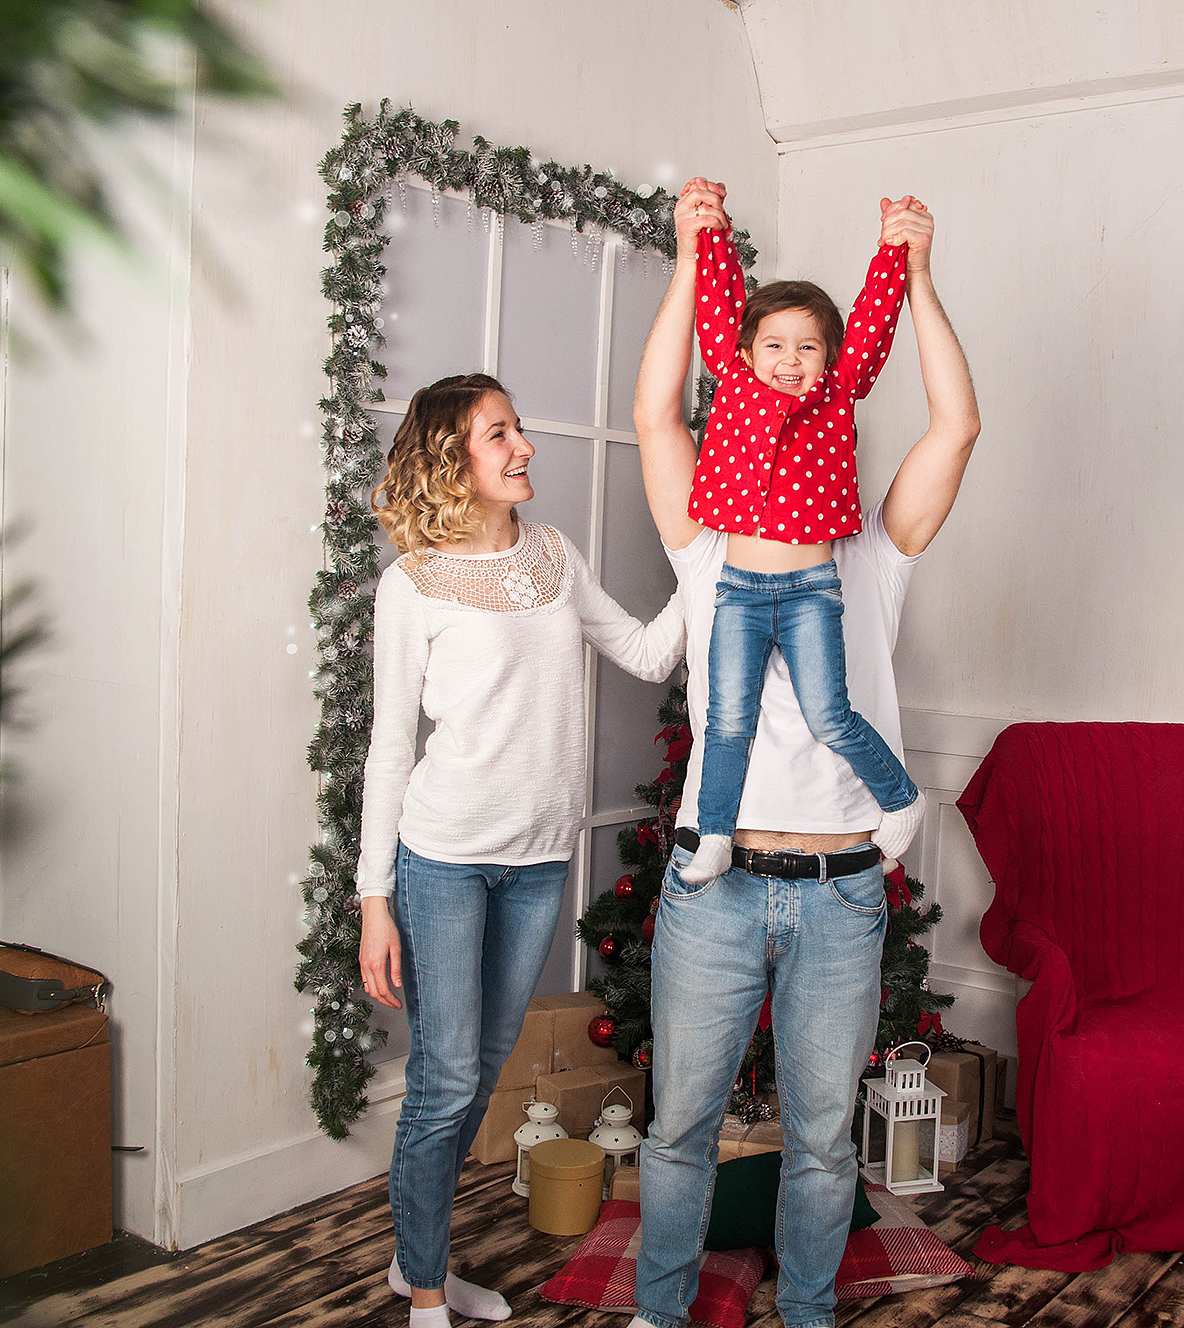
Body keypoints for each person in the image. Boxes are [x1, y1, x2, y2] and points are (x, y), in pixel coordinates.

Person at [629, 181, 980, 1328]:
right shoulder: (707, 543)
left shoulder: (869, 554)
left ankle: (809, 1313)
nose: (788, 374)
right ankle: (658, 1312)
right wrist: (691, 253)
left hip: (839, 895)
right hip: (712, 889)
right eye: (765, 354)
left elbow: (957, 425)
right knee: (678, 1126)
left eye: (808, 360)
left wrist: (917, 277)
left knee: (825, 1142)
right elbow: (652, 418)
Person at [355, 373, 685, 1328]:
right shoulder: (410, 583)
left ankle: (416, 1251)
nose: (523, 447)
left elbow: (647, 651)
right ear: (454, 457)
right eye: (499, 434)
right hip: (444, 860)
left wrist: (714, 572)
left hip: (539, 863)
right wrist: (376, 898)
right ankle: (423, 1286)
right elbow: (389, 749)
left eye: (518, 429)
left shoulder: (553, 556)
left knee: (478, 1069)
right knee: (446, 1077)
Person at [678, 222, 923, 885]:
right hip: (742, 591)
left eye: (807, 347)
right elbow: (719, 305)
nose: (790, 359)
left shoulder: (839, 391)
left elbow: (871, 324)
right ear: (746, 351)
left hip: (813, 588)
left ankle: (901, 798)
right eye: (776, 345)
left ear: (830, 357)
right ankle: (717, 834)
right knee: (727, 718)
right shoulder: (732, 382)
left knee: (829, 714)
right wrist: (709, 235)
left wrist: (894, 252)